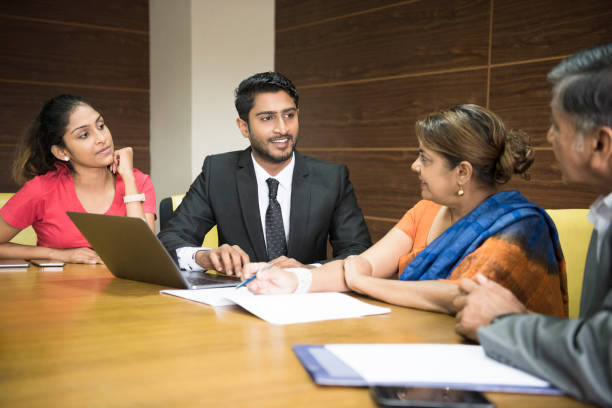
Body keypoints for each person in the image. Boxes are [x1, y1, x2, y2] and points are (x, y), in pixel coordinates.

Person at [244, 104, 568, 318]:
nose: (415, 166)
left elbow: (461, 297)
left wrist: (366, 284)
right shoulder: (425, 210)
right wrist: (292, 281)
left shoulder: (518, 228)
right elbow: (365, 263)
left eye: (425, 158)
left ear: (462, 173)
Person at [453, 44, 612, 406]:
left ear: (600, 143)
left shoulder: (521, 225)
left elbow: (605, 359)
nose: (550, 138)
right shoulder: (605, 213)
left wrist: (504, 323)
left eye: (557, 126)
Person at [158, 72, 371, 276]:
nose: (282, 129)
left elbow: (359, 251)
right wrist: (204, 257)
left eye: (289, 115)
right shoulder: (218, 173)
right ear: (244, 127)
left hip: (306, 301)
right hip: (238, 300)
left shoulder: (332, 178)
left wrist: (310, 271)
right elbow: (169, 240)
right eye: (267, 118)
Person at [0, 94, 156, 264]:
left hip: (124, 289)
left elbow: (144, 253)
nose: (102, 139)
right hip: (57, 288)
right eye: (84, 135)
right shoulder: (41, 190)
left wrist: (128, 177)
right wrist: (58, 254)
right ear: (62, 152)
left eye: (101, 126)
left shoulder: (137, 182)